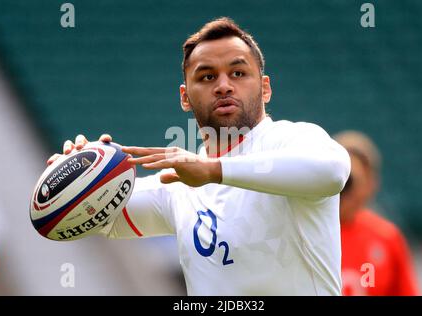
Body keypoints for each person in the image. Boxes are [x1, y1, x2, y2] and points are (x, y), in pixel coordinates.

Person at [47, 17, 350, 295]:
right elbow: (98, 218)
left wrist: (214, 170)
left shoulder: (292, 139)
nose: (223, 86)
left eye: (238, 72)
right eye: (206, 77)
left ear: (265, 88)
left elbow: (333, 172)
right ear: (184, 97)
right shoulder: (179, 187)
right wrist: (74, 179)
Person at [334, 131, 421, 296]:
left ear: (371, 184)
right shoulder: (303, 231)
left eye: (351, 180)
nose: (345, 187)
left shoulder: (386, 238)